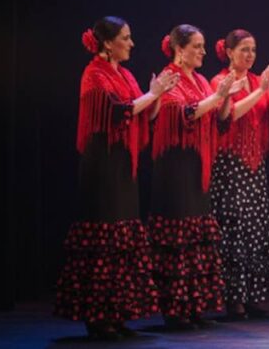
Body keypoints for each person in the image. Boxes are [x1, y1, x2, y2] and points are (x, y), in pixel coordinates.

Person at [54, 17, 178, 340]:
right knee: (104, 238)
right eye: (126, 38)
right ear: (108, 43)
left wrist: (158, 96)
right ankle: (98, 317)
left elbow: (143, 111)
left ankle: (118, 313)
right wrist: (151, 95)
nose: (132, 43)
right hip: (103, 166)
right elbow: (118, 111)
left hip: (125, 165)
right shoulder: (93, 74)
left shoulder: (125, 74)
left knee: (124, 237)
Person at [149, 24, 240, 330]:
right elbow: (183, 113)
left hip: (198, 165)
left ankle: (194, 306)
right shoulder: (169, 77)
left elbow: (218, 119)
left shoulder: (200, 79)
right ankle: (174, 309)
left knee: (197, 237)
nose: (203, 52)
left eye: (203, 46)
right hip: (175, 166)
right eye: (197, 46)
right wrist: (218, 96)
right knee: (178, 236)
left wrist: (225, 97)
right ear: (179, 49)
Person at [209, 30, 269, 320]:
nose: (249, 55)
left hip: (255, 167)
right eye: (244, 49)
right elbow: (229, 114)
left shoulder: (261, 81)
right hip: (231, 165)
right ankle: (234, 299)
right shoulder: (221, 81)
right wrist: (259, 92)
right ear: (229, 52)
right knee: (234, 230)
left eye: (253, 50)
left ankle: (253, 295)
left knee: (255, 231)